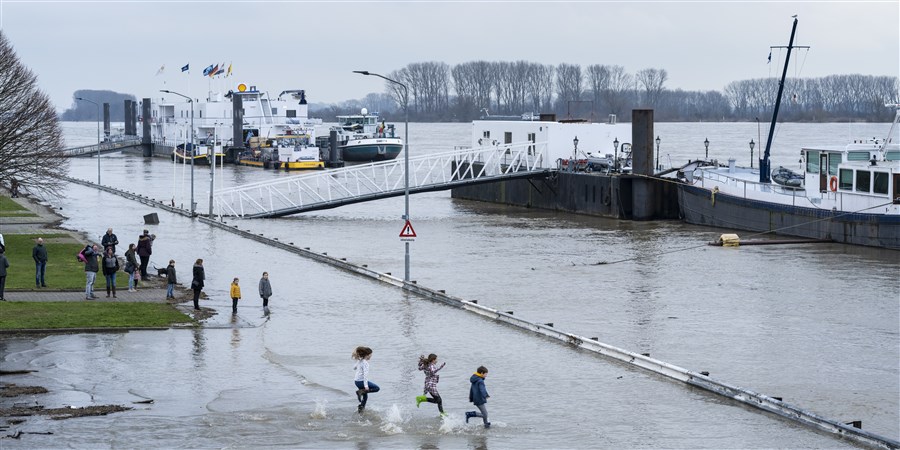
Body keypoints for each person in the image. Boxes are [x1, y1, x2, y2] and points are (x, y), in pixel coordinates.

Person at [352, 346, 380, 413]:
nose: (371, 356)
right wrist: (366, 386)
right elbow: (365, 375)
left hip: (356, 381)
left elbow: (354, 368)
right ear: (367, 355)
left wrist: (358, 363)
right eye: (371, 355)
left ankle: (361, 409)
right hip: (361, 381)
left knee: (365, 396)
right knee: (377, 388)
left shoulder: (360, 361)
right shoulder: (366, 363)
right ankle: (360, 392)